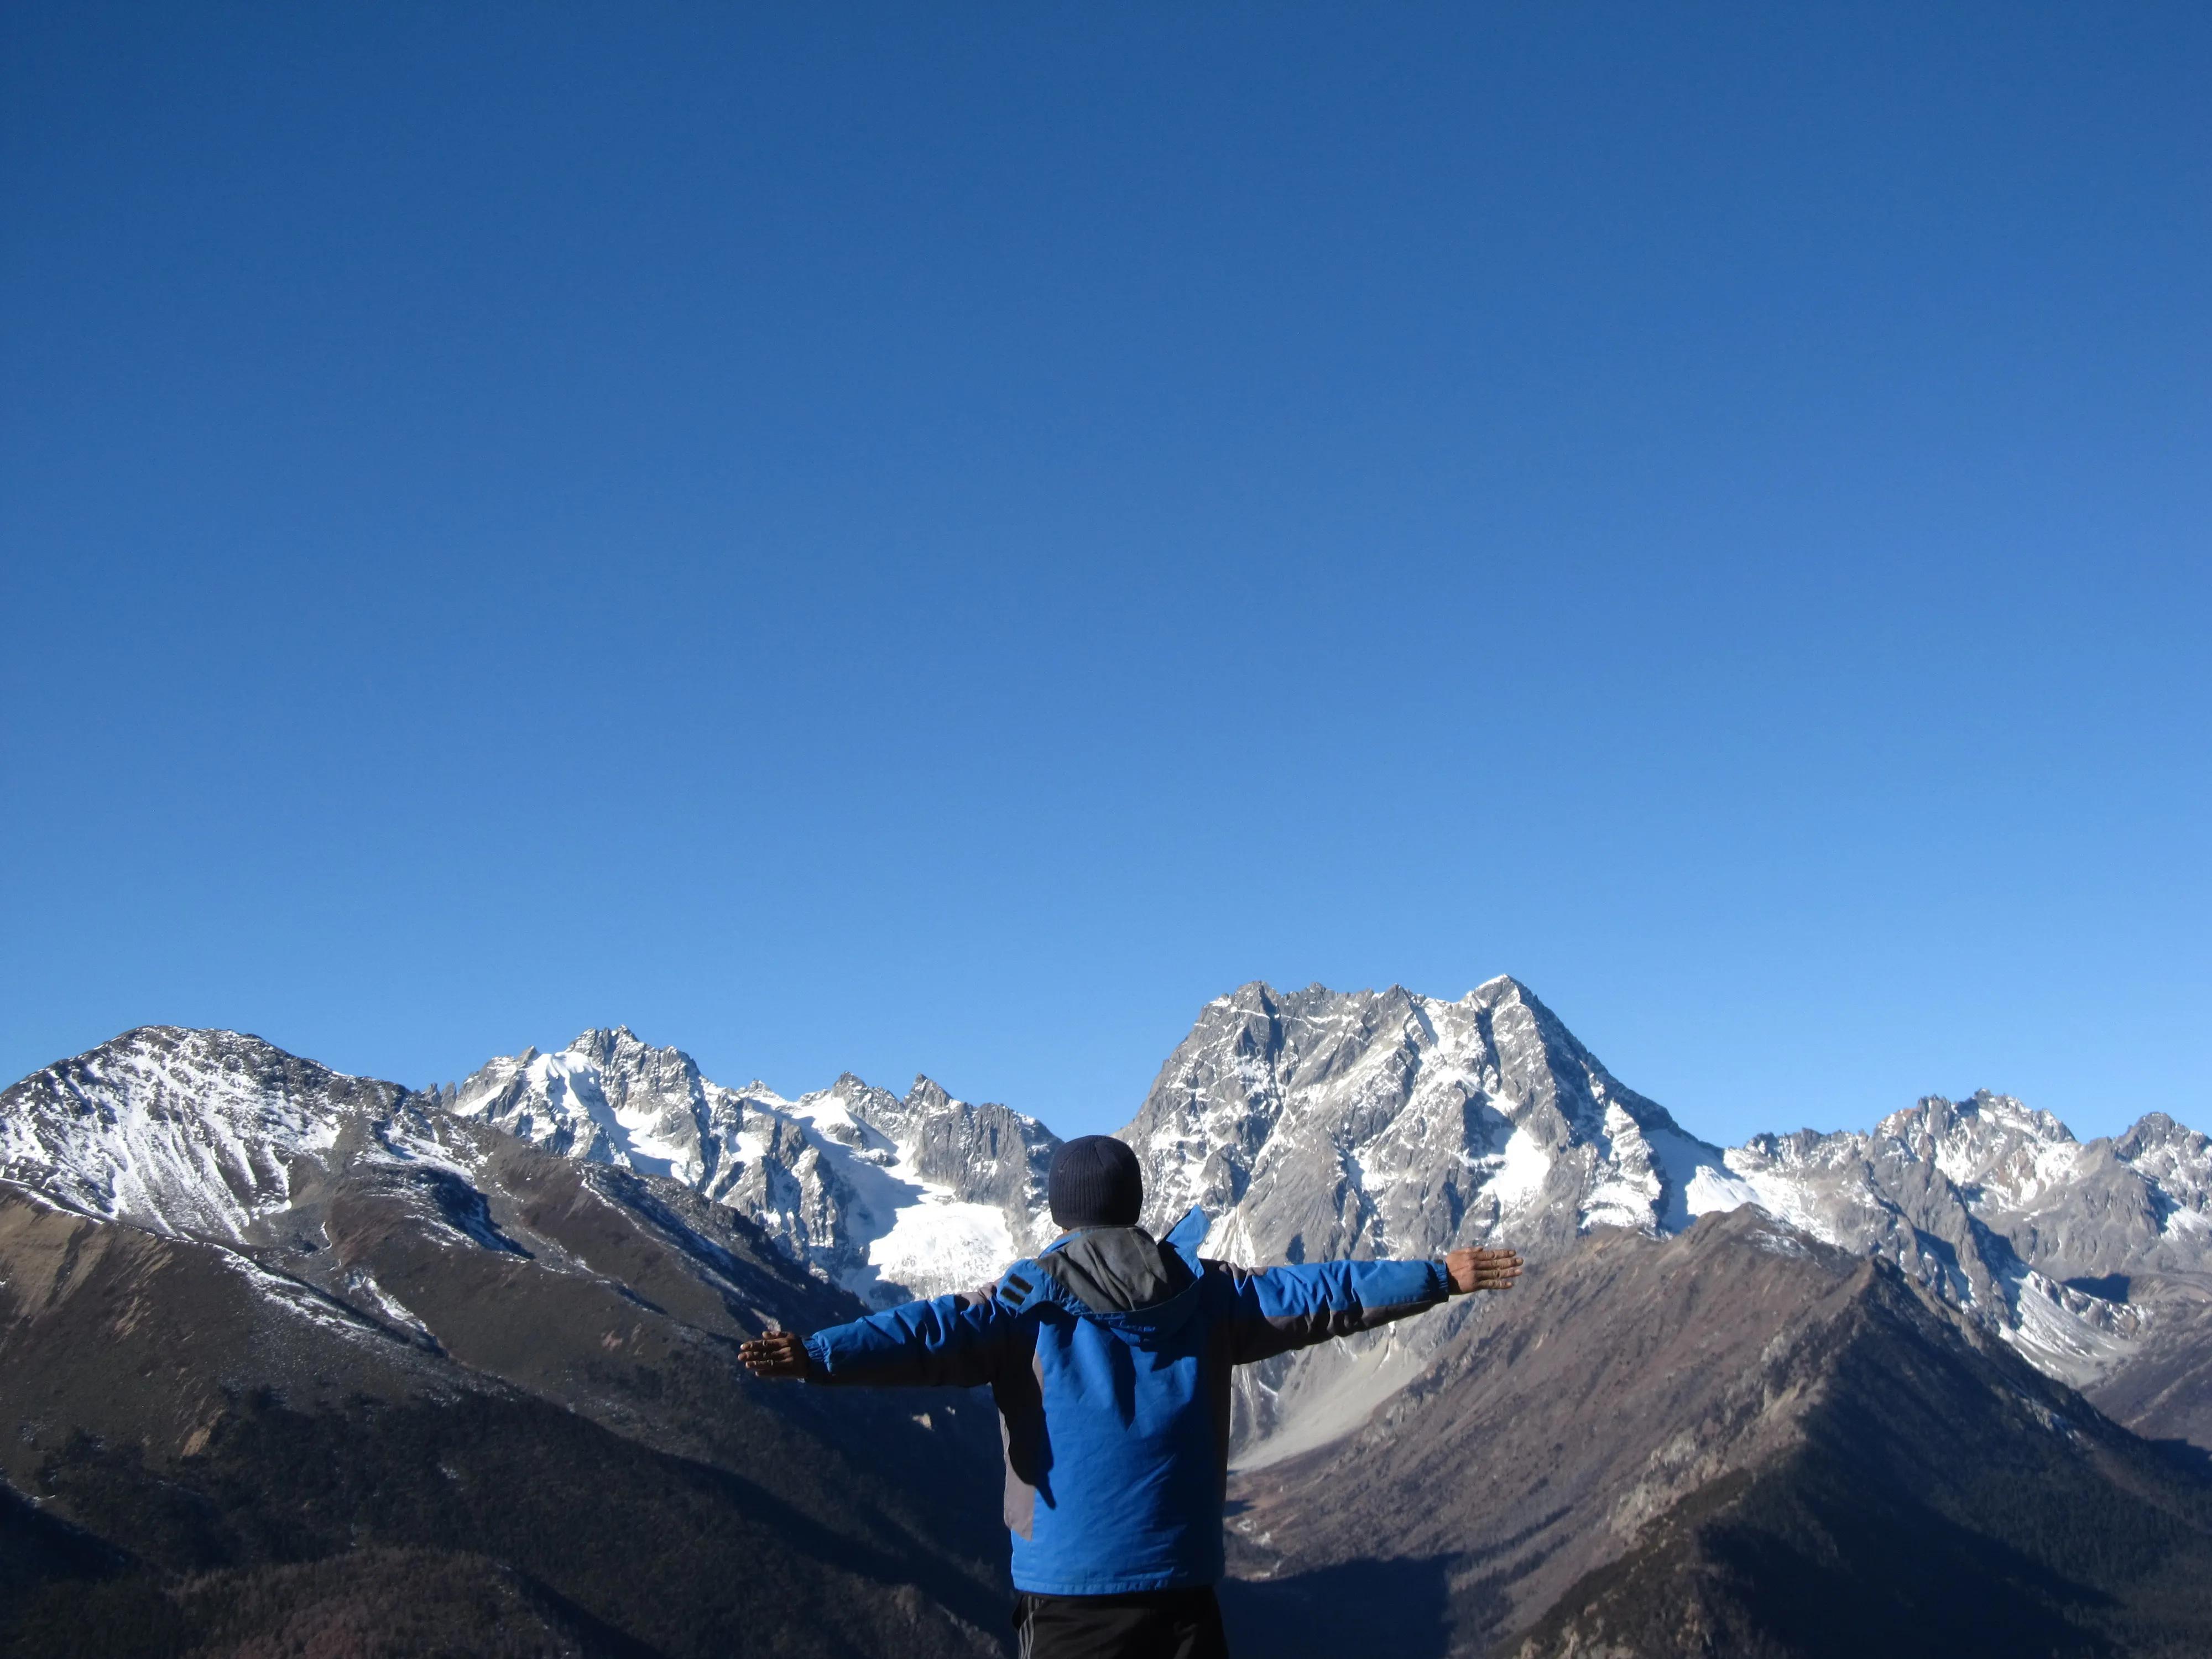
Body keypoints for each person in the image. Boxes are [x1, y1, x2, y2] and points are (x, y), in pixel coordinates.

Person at [740, 1134, 1522, 1658]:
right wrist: (1435, 1276)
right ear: (1134, 1204)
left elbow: (919, 1337)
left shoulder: (1019, 1307)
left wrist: (815, 1356)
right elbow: (1326, 1293)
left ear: (1060, 1211)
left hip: (1069, 1596)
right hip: (1184, 1591)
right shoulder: (1211, 1294)